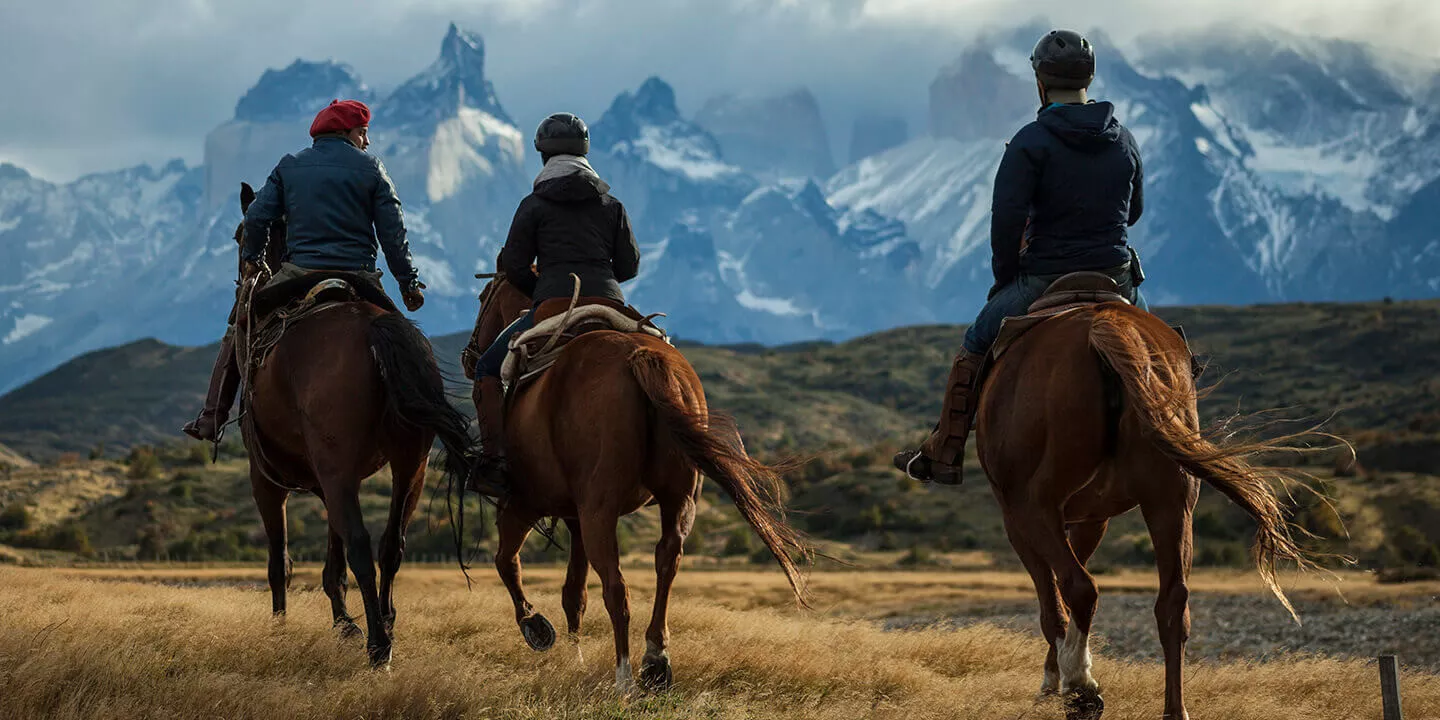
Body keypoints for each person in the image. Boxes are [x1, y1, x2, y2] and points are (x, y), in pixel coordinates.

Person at [894, 29, 1149, 484]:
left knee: (976, 343)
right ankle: (1184, 429)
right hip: (1117, 277)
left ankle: (945, 451)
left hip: (1046, 278)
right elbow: (1134, 212)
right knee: (1161, 350)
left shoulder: (1030, 142)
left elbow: (1007, 222)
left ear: (1040, 82)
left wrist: (1005, 279)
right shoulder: (1123, 139)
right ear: (1088, 79)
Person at [181, 99, 426, 442]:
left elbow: (256, 217)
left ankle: (212, 416)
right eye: (363, 132)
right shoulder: (372, 168)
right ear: (346, 132)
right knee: (405, 340)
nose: (367, 141)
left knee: (242, 321)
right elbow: (393, 233)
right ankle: (422, 421)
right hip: (360, 276)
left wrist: (253, 258)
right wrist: (408, 283)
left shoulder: (290, 166)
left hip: (299, 274)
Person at [469, 112, 641, 492]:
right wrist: (601, 281)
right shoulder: (611, 205)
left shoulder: (533, 205)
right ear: (585, 152)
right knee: (659, 348)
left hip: (553, 305)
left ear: (543, 155)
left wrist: (544, 289)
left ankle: (495, 462)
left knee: (486, 369)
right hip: (611, 305)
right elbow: (629, 266)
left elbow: (514, 265)